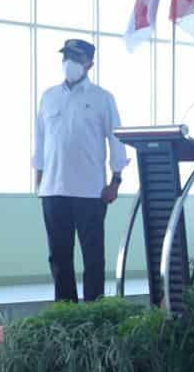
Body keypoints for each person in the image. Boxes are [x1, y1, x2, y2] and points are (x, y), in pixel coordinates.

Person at [33, 39, 128, 302]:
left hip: (90, 191)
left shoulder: (102, 98)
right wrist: (39, 183)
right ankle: (66, 310)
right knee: (59, 257)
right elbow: (40, 142)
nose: (70, 63)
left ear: (89, 63)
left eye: (76, 58)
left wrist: (116, 182)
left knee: (93, 256)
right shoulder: (48, 96)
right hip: (53, 190)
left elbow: (116, 140)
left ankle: (94, 308)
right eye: (66, 57)